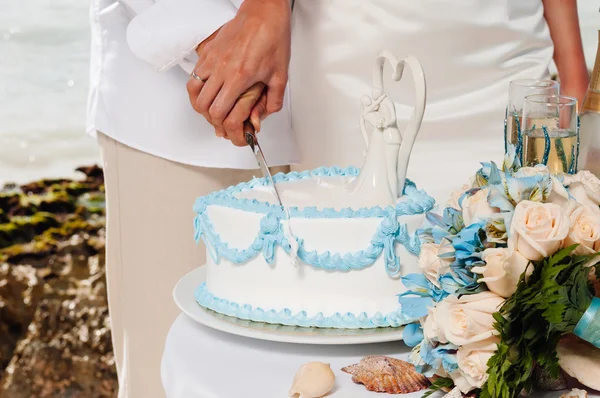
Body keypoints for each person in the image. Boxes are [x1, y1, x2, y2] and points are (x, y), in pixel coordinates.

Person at [87, 0, 589, 396]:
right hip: (195, 115)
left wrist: (573, 70)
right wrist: (230, 24)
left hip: (388, 80)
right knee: (183, 372)